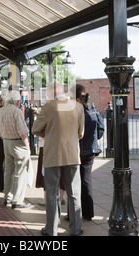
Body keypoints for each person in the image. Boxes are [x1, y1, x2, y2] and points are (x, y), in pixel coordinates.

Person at [32, 82, 85, 236]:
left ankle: (52, 230)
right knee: (74, 193)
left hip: (53, 155)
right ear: (63, 91)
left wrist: (48, 134)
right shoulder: (78, 107)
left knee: (52, 193)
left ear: (50, 92)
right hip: (73, 155)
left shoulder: (48, 107)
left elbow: (35, 129)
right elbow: (80, 133)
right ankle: (77, 229)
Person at [0, 90, 32, 209]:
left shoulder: (1, 110)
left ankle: (8, 196)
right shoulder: (16, 111)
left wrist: (5, 138)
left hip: (6, 142)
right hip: (17, 143)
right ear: (17, 102)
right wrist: (27, 147)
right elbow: (23, 132)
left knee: (9, 171)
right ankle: (18, 200)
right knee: (21, 172)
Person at [73, 84, 104, 221]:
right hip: (90, 151)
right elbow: (100, 131)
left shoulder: (74, 113)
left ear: (77, 99)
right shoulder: (95, 112)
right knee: (86, 181)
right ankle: (89, 212)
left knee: (74, 182)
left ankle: (74, 213)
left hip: (76, 151)